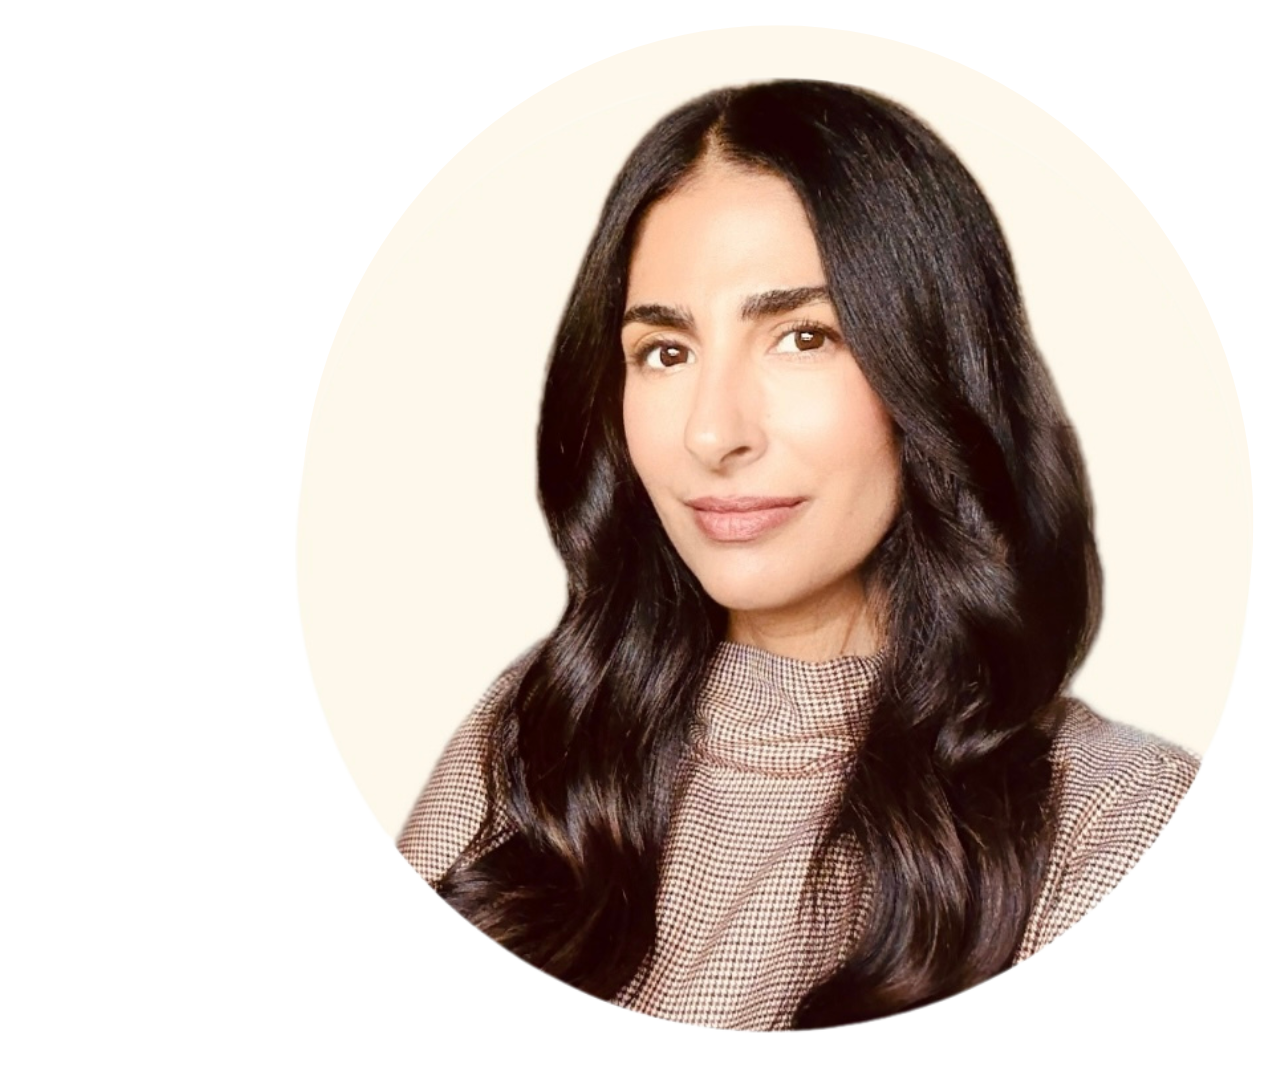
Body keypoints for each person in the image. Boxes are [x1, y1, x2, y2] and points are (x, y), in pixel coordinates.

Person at [396, 79, 1202, 1033]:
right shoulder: (537, 737)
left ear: (934, 370)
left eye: (803, 337)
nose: (713, 432)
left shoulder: (1119, 822)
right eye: (664, 351)